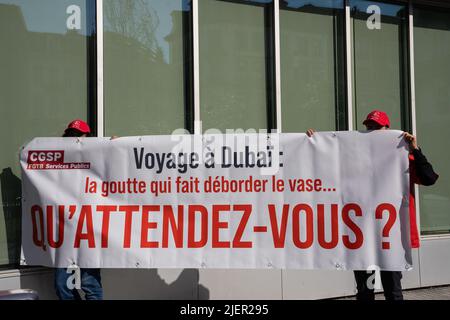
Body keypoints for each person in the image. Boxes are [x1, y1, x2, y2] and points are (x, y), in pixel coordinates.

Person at [306, 110, 439, 300]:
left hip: (389, 239)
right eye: (369, 127)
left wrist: (415, 150)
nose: (372, 131)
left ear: (388, 128)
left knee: (393, 291)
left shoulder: (401, 157)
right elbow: (326, 167)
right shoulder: (354, 158)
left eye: (377, 127)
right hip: (362, 238)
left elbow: (429, 178)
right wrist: (313, 144)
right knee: (365, 291)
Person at [55, 119, 103, 300]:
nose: (73, 140)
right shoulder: (61, 157)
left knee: (90, 283)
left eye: (77, 136)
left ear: (87, 138)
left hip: (88, 232)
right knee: (62, 285)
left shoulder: (96, 156)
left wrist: (116, 144)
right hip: (67, 233)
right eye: (70, 135)